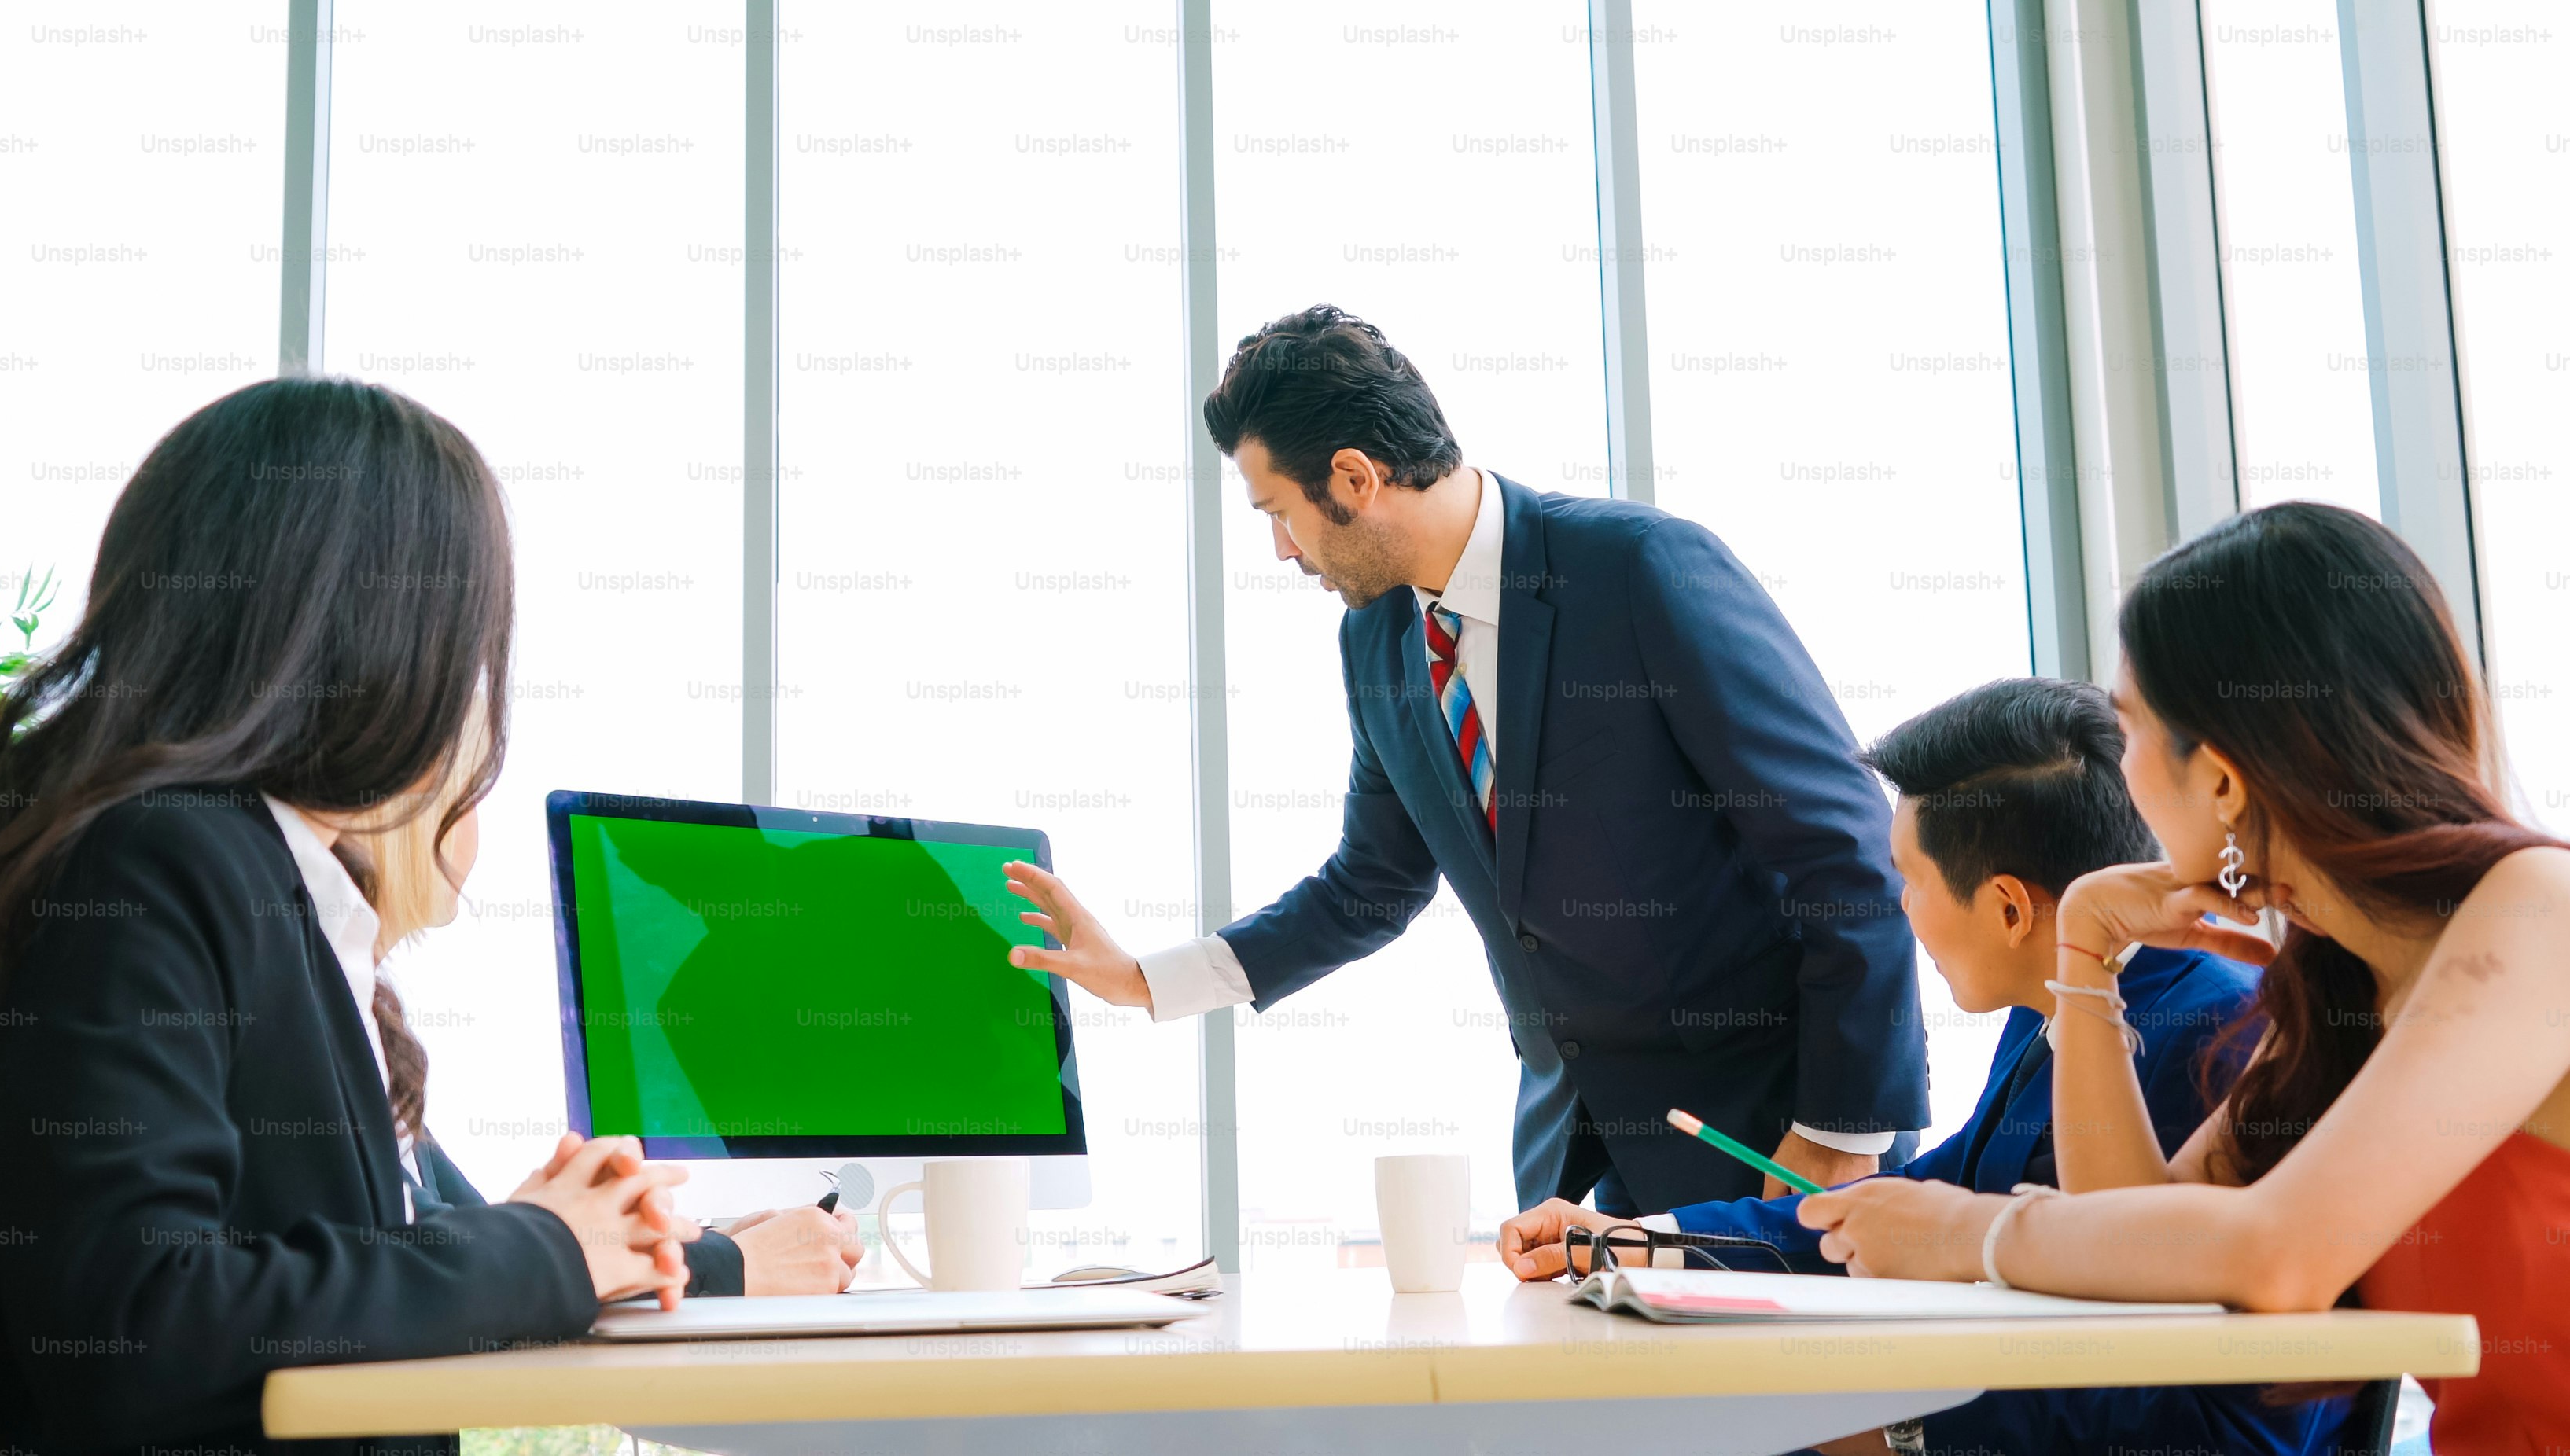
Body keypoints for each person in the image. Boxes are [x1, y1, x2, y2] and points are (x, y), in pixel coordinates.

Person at [1005, 304, 1926, 1214]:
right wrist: (1142, 980)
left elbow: (1843, 844)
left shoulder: (1640, 567)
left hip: (1766, 1139)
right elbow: (1369, 885)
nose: (1281, 550)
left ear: (1353, 477)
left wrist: (1842, 1125)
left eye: (1278, 513)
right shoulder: (1375, 640)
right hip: (1573, 1163)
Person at [0, 377, 694, 1456]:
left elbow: (347, 1255)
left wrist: (572, 1239)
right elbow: (141, 1322)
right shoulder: (164, 857)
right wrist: (545, 1248)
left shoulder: (254, 874)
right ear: (378, 630)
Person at [1798, 503, 2570, 1451]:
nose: (2116, 775)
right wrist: (2084, 950)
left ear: (2219, 781)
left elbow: (2279, 1253)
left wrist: (1964, 1234)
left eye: (2126, 734)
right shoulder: (2341, 985)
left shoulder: (2539, 909)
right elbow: (2139, 1254)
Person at [1496, 676, 2348, 1455]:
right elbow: (1906, 1205)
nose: (1901, 910)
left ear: (2008, 908)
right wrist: (1642, 1241)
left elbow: (2220, 1417)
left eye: (1909, 879)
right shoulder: (2056, 1001)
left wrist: (1897, 1430)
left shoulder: (2218, 1035)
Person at [349, 739, 865, 1296]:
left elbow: (476, 1245)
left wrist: (713, 1247)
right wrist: (731, 1260)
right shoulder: (687, 994)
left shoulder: (853, 876)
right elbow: (464, 1258)